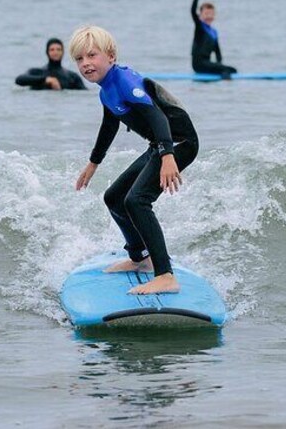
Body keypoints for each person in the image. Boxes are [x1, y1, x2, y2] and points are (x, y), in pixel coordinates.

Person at [71, 25, 199, 295]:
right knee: (114, 197)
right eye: (79, 59)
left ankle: (165, 275)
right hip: (161, 144)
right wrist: (93, 163)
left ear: (111, 56)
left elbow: (158, 118)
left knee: (137, 200)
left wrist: (167, 156)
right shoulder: (106, 90)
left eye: (92, 56)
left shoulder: (125, 82)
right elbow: (109, 125)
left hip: (178, 144)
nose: (85, 64)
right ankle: (140, 258)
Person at [191, 0, 238, 77]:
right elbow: (192, 11)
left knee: (233, 70)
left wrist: (219, 64)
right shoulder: (200, 28)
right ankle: (225, 84)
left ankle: (220, 84)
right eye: (206, 14)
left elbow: (218, 52)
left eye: (211, 14)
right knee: (227, 70)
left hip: (208, 63)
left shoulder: (214, 32)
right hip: (198, 65)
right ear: (200, 15)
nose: (209, 16)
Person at [15, 38, 87, 90]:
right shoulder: (37, 72)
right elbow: (19, 80)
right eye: (52, 49)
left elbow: (84, 94)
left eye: (58, 49)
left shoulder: (72, 76)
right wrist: (46, 80)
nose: (55, 52)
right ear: (47, 52)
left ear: (63, 52)